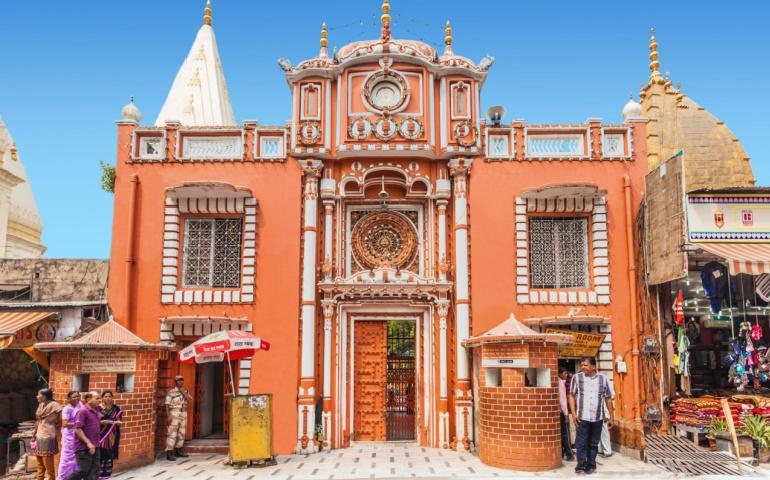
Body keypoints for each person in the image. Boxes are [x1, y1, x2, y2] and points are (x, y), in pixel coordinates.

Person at [569, 357, 614, 475]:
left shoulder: (603, 379)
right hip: (582, 417)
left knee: (593, 443)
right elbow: (572, 395)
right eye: (582, 365)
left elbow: (608, 398)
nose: (582, 367)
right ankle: (580, 465)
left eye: (585, 365)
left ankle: (591, 465)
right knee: (581, 443)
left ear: (593, 366)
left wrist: (611, 417)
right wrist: (573, 413)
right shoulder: (576, 378)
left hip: (598, 418)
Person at [68, 391, 102, 480]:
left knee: (94, 470)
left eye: (99, 398)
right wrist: (88, 443)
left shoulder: (96, 410)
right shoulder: (82, 411)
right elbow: (77, 429)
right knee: (83, 470)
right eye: (97, 398)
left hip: (96, 445)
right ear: (88, 399)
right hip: (84, 447)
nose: (100, 400)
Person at [31, 388, 62, 480]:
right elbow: (38, 421)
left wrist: (55, 427)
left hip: (48, 436)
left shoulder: (55, 405)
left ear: (44, 396)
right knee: (40, 464)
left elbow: (61, 421)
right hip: (39, 435)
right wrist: (34, 434)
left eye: (38, 394)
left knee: (48, 464)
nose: (37, 396)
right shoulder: (41, 405)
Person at [165, 375, 192, 461]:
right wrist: (168, 415)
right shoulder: (171, 392)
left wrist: (184, 393)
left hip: (183, 412)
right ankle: (169, 452)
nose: (181, 382)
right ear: (175, 382)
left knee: (182, 432)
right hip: (174, 412)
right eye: (179, 381)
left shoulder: (185, 391)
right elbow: (167, 404)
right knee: (172, 433)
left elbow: (190, 400)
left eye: (182, 380)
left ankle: (178, 450)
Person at [98, 391, 123, 479]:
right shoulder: (98, 408)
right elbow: (96, 421)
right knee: (101, 453)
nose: (108, 398)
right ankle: (99, 474)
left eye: (109, 396)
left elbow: (119, 421)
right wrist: (105, 422)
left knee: (109, 453)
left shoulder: (116, 409)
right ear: (102, 397)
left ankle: (107, 475)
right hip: (100, 435)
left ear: (112, 397)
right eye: (105, 396)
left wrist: (118, 423)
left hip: (112, 434)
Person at [58, 391, 82, 479]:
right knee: (67, 458)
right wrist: (79, 423)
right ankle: (63, 477)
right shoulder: (66, 409)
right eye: (74, 397)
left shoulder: (80, 406)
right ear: (69, 399)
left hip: (79, 435)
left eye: (78, 396)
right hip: (69, 437)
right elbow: (65, 424)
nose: (76, 398)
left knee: (78, 457)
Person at [558, 369, 574, 461]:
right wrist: (566, 414)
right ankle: (569, 454)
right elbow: (563, 399)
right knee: (566, 434)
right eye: (565, 373)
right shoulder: (560, 383)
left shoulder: (559, 381)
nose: (567, 375)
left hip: (558, 413)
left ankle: (562, 453)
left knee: (561, 434)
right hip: (563, 413)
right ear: (559, 373)